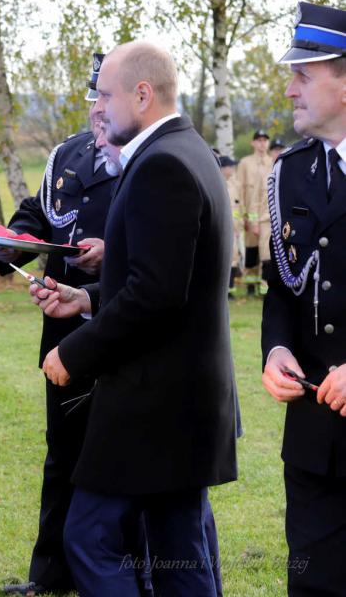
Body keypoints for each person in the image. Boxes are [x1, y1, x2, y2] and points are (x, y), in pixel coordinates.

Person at [34, 41, 237, 595]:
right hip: (183, 401)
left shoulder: (162, 164)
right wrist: (87, 298)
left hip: (157, 403)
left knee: (90, 537)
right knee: (179, 552)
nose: (98, 107)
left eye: (105, 95)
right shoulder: (187, 149)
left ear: (142, 94)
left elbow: (155, 295)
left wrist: (73, 352)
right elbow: (167, 277)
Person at [0, 53, 123, 596]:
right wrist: (15, 240)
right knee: (62, 453)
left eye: (106, 98)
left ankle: (118, 573)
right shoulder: (67, 154)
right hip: (63, 333)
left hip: (122, 332)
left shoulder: (151, 160)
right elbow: (39, 209)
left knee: (119, 461)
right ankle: (49, 575)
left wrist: (110, 254)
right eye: (94, 98)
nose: (97, 109)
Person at [260, 2, 346, 594]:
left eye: (303, 75)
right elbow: (282, 286)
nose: (290, 89)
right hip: (314, 435)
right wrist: (276, 349)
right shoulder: (291, 171)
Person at [238, 129, 274, 294]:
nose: (262, 143)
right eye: (259, 140)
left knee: (267, 251)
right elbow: (239, 190)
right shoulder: (245, 163)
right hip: (249, 213)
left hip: (267, 215)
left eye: (264, 140)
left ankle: (264, 286)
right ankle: (250, 285)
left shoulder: (273, 162)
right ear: (253, 143)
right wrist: (244, 217)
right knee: (251, 250)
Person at [221, 155, 244, 297]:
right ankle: (223, 290)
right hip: (223, 228)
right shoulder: (219, 184)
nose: (232, 169)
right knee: (225, 259)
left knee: (234, 258)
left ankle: (230, 289)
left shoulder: (234, 185)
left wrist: (239, 226)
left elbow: (238, 208)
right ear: (223, 168)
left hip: (234, 229)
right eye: (230, 167)